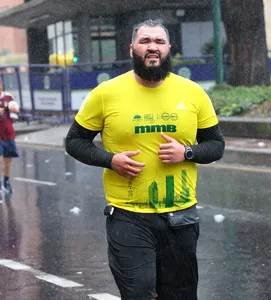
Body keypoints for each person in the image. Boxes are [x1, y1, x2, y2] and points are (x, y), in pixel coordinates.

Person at [66, 19, 225, 300]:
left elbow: (216, 145)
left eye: (159, 42)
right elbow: (75, 141)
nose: (152, 47)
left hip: (180, 216)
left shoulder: (193, 93)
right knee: (139, 293)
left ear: (168, 49)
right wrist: (110, 160)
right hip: (128, 216)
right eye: (145, 41)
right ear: (132, 49)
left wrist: (186, 152)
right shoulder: (106, 94)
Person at [0, 79, 19, 196]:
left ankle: (6, 181)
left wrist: (14, 109)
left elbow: (16, 111)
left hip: (8, 133)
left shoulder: (8, 97)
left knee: (8, 159)